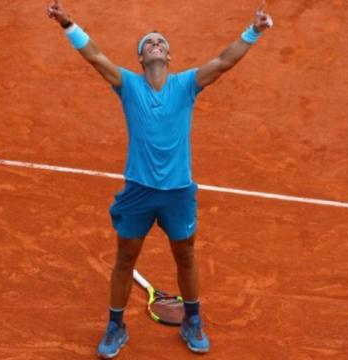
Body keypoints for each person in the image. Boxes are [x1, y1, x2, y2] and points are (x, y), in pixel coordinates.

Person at [47, 1, 273, 358]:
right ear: (141, 59)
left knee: (185, 253)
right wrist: (68, 23)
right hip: (138, 189)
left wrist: (254, 31)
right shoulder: (128, 85)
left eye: (161, 42)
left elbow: (225, 61)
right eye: (148, 42)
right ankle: (115, 326)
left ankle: (193, 320)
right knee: (125, 257)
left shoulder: (186, 84)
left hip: (178, 191)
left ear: (168, 57)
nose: (155, 43)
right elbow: (95, 57)